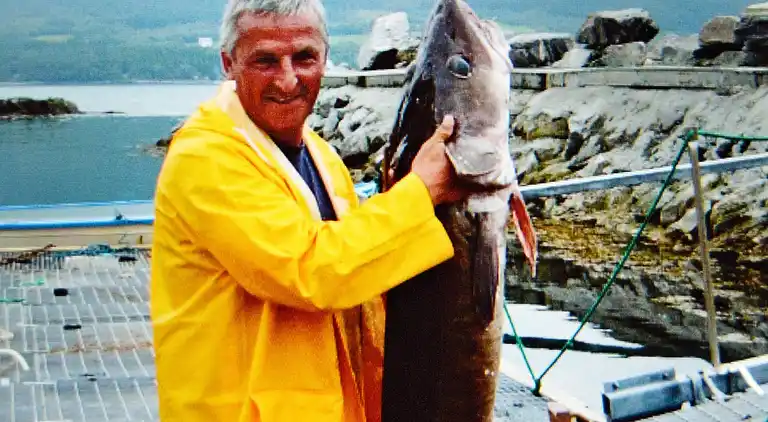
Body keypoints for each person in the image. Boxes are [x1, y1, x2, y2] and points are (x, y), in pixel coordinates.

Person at [150, 0, 484, 421]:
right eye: (266, 61)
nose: (288, 80)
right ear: (228, 63)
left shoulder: (322, 158)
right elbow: (312, 271)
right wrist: (421, 192)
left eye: (304, 57)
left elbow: (358, 272)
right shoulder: (205, 158)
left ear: (325, 58)